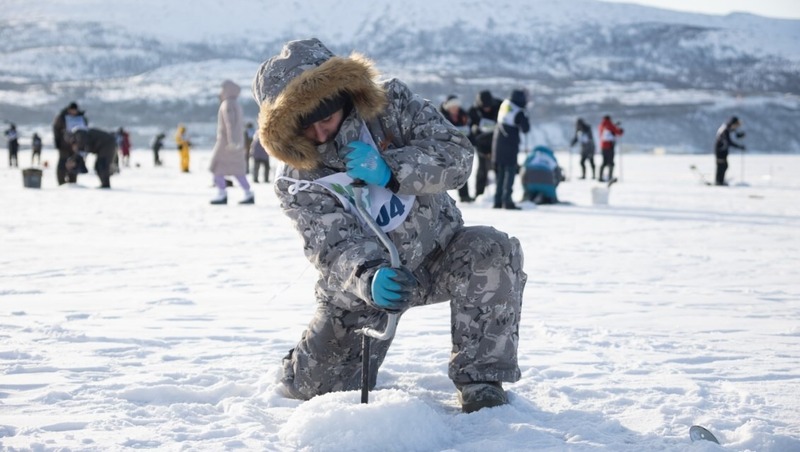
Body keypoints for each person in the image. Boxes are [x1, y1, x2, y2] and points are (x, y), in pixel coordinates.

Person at [252, 38, 525, 413]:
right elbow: (330, 245)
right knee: (319, 390)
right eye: (306, 127)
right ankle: (301, 366)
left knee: (493, 250)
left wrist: (392, 169)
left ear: (343, 97)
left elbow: (458, 157)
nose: (318, 134)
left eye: (326, 120)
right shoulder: (295, 178)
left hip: (437, 255)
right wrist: (368, 277)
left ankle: (481, 380)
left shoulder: (393, 105)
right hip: (368, 287)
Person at [209, 80, 254, 205]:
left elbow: (230, 124)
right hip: (236, 143)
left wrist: (232, 141)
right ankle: (248, 193)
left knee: (217, 168)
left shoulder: (227, 104)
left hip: (226, 144)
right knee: (237, 170)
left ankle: (221, 194)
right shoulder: (236, 104)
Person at [491, 89, 530, 210]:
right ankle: (507, 200)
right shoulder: (518, 111)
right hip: (510, 143)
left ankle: (497, 200)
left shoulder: (505, 104)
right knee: (510, 171)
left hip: (498, 141)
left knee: (500, 172)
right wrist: (525, 115)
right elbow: (526, 128)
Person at [467, 90, 501, 198]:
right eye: (485, 107)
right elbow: (469, 130)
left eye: (489, 106)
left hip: (497, 143)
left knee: (498, 169)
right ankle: (479, 194)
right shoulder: (473, 111)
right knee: (482, 169)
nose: (487, 108)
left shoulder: (499, 106)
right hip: (481, 144)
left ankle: (499, 195)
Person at [439, 94, 473, 202]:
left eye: (457, 106)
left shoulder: (464, 116)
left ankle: (464, 195)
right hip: (445, 148)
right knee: (443, 172)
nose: (455, 108)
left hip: (460, 149)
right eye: (453, 106)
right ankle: (440, 196)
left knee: (462, 170)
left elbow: (470, 130)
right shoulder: (442, 117)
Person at [53, 102, 89, 184]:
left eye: (75, 110)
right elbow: (56, 129)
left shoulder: (82, 118)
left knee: (74, 163)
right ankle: (61, 182)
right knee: (62, 163)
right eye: (72, 110)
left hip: (76, 146)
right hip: (64, 145)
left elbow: (85, 131)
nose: (73, 112)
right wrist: (57, 142)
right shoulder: (62, 117)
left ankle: (72, 181)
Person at [713, 116, 745, 186]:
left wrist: (739, 136)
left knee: (724, 165)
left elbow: (735, 133)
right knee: (721, 165)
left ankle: (720, 180)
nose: (736, 127)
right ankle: (718, 181)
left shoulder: (727, 128)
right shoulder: (725, 130)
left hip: (723, 151)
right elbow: (729, 142)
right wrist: (739, 147)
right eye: (736, 125)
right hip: (720, 151)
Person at [597, 115, 623, 182]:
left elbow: (609, 130)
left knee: (604, 162)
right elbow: (618, 132)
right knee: (611, 163)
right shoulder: (610, 125)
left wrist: (615, 126)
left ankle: (600, 176)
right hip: (610, 147)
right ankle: (610, 177)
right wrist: (620, 130)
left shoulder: (601, 126)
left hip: (603, 147)